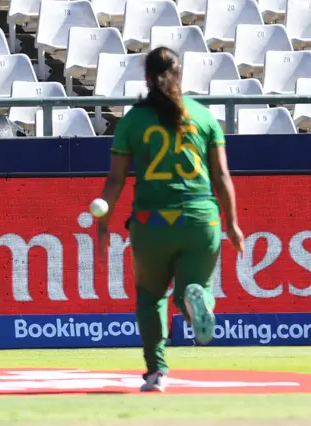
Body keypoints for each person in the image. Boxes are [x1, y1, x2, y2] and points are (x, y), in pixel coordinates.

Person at [95, 47, 245, 392]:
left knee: (150, 297)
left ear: (146, 78)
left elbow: (116, 179)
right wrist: (233, 223)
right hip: (201, 219)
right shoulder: (203, 116)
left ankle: (157, 372)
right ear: (179, 75)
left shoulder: (133, 120)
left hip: (152, 222)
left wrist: (104, 221)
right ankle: (197, 301)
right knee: (197, 287)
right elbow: (221, 175)